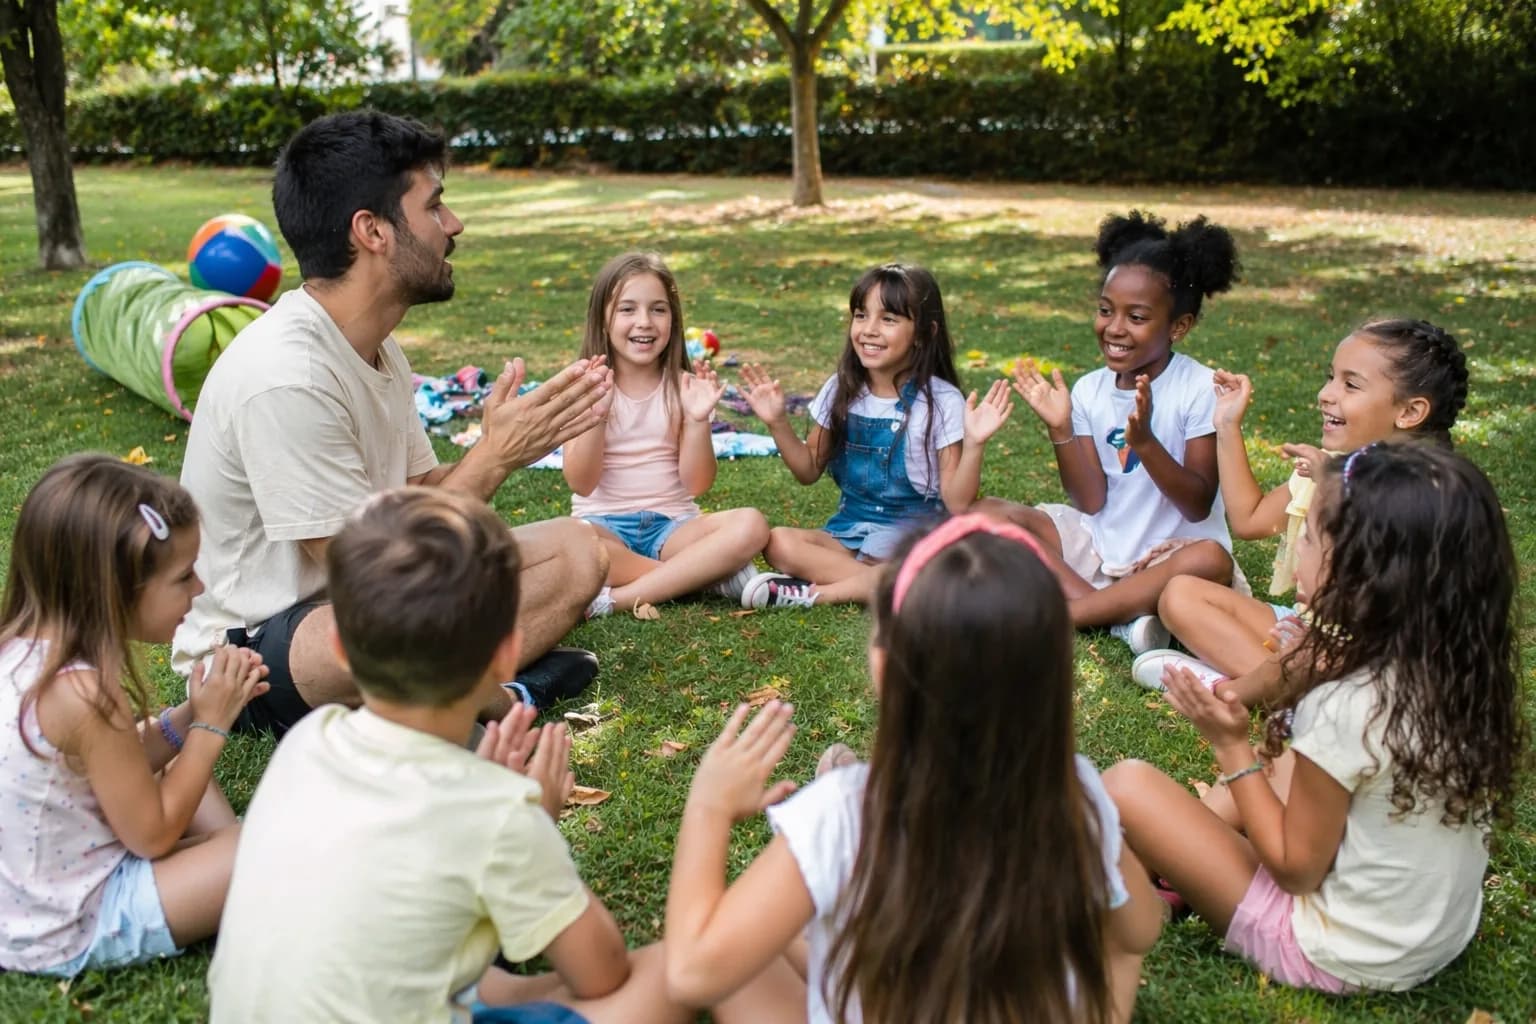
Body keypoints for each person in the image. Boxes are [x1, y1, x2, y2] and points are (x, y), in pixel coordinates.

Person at [173, 110, 612, 737]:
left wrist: (499, 451)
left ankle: (479, 691)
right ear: (372, 231)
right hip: (262, 653)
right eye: (435, 207)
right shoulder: (285, 374)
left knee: (579, 550)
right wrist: (493, 457)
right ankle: (498, 701)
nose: (454, 225)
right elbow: (373, 575)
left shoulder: (376, 343)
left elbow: (422, 501)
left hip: (372, 607)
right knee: (377, 626)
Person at [208, 488, 690, 1024]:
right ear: (509, 652)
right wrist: (535, 828)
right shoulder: (500, 812)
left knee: (481, 976)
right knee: (671, 973)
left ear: (340, 647)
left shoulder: (309, 738)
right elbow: (602, 974)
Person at [664, 514, 1163, 1023]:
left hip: (860, 918)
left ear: (883, 669)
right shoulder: (1076, 793)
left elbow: (690, 972)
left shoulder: (842, 815)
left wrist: (710, 805)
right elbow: (1140, 931)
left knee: (747, 945)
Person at [1105, 442, 1526, 994]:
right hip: (1426, 935)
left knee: (1127, 785)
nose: (1296, 551)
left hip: (1336, 949)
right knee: (1284, 755)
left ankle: (1145, 890)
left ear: (1361, 574)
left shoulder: (1348, 703)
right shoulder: (1453, 670)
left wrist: (1231, 745)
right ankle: (1176, 865)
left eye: (1306, 538)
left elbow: (1296, 870)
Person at [0, 455, 267, 976]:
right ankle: (235, 862)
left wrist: (189, 714)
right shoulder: (83, 695)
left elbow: (119, 762)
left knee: (175, 769)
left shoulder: (21, 653)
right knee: (275, 845)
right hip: (72, 921)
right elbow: (152, 835)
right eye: (184, 576)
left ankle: (224, 856)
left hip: (35, 895)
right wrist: (211, 727)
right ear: (117, 590)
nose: (199, 590)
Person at [1134, 318, 1469, 691]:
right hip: (1312, 629)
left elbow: (1374, 605)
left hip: (1379, 655)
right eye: (1331, 377)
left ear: (1409, 412)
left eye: (1350, 384)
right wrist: (1227, 425)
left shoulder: (1426, 493)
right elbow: (1249, 520)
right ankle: (1279, 682)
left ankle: (1228, 689)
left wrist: (1332, 496)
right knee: (1181, 594)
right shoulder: (1329, 463)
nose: (1326, 394)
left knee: (1310, 660)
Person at [986, 210, 1242, 653]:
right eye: (1106, 310)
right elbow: (1090, 501)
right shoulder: (1089, 389)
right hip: (1100, 549)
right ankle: (1117, 617)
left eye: (1137, 317)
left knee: (1210, 559)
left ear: (1178, 326)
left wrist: (1146, 443)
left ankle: (1073, 614)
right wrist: (1061, 428)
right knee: (986, 514)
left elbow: (1197, 503)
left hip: (1171, 559)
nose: (1114, 328)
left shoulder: (1201, 389)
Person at [740, 263, 1014, 606]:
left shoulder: (941, 401)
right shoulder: (841, 388)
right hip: (851, 531)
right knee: (779, 541)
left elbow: (958, 503)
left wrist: (975, 445)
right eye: (860, 315)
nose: (869, 330)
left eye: (888, 319)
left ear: (924, 334)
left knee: (920, 559)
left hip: (913, 535)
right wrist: (778, 422)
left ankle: (819, 594)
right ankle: (896, 583)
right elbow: (808, 469)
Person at [564, 252, 779, 618]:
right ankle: (703, 577)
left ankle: (614, 599)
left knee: (751, 524)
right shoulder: (581, 384)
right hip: (603, 527)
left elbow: (696, 484)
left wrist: (697, 420)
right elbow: (581, 483)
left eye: (658, 310)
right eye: (627, 309)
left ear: (674, 320)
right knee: (570, 542)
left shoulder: (685, 387)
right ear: (602, 318)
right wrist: (596, 416)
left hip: (675, 530)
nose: (644, 322)